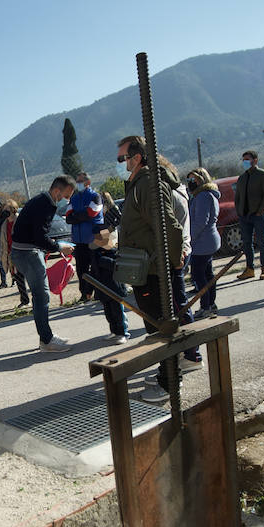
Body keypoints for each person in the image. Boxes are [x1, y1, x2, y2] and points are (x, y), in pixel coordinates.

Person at [116, 135, 192, 404]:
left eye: (122, 158)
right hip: (145, 269)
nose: (119, 163)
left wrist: (175, 258)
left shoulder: (148, 184)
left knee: (161, 328)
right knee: (155, 326)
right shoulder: (139, 183)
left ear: (136, 158)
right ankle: (165, 373)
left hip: (154, 271)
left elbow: (169, 225)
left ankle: (169, 383)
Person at [11, 175, 77, 352]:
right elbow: (40, 237)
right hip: (28, 253)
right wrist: (59, 247)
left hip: (26, 251)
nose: (67, 200)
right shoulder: (45, 205)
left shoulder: (41, 201)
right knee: (41, 296)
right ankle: (46, 341)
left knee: (41, 296)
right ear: (56, 191)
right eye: (66, 196)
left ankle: (46, 337)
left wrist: (54, 245)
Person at [186, 168, 221, 318]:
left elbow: (201, 221)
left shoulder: (203, 196)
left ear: (201, 179)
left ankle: (206, 306)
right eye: (189, 180)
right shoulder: (206, 195)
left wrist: (189, 238)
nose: (190, 183)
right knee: (208, 274)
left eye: (193, 179)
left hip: (202, 242)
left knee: (199, 276)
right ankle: (211, 304)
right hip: (207, 241)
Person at [65, 172, 104, 302]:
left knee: (96, 268)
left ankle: (99, 293)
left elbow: (92, 213)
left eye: (80, 181)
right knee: (81, 269)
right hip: (79, 240)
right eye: (77, 181)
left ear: (88, 182)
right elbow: (68, 218)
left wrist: (76, 216)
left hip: (94, 239)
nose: (78, 184)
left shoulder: (95, 197)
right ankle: (84, 294)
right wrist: (81, 215)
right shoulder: (74, 199)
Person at [235, 150, 264, 281]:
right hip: (244, 216)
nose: (245, 162)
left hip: (258, 215)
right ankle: (249, 269)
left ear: (255, 160)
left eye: (247, 159)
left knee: (262, 241)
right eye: (243, 160)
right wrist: (239, 211)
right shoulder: (242, 178)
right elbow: (238, 197)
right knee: (247, 243)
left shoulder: (263, 175)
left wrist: (261, 211)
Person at [89, 227, 128, 342]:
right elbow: (92, 274)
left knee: (118, 313)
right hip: (102, 290)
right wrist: (88, 290)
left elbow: (117, 265)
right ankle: (114, 331)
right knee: (109, 313)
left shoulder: (114, 253)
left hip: (115, 289)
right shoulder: (96, 255)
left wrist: (103, 261)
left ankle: (122, 333)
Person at [1, 201, 28, 305]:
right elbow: (3, 241)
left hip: (21, 252)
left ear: (13, 209)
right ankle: (24, 300)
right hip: (10, 254)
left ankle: (30, 300)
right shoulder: (4, 223)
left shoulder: (20, 220)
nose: (5, 211)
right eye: (4, 209)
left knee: (25, 276)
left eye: (7, 209)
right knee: (18, 278)